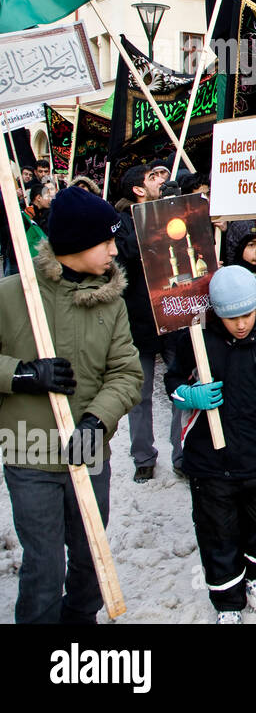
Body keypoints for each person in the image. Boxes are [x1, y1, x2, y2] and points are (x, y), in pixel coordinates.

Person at [0, 187, 142, 623]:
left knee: (89, 560)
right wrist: (23, 374)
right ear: (77, 245)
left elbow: (126, 373)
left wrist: (97, 422)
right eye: (107, 242)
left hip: (89, 456)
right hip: (29, 453)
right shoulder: (11, 294)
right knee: (44, 567)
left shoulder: (111, 301)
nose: (115, 251)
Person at [165, 265, 256, 624]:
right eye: (231, 317)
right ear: (216, 313)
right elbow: (173, 380)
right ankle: (227, 602)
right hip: (210, 459)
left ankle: (253, 574)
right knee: (218, 531)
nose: (241, 324)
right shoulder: (195, 339)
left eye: (246, 314)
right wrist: (187, 395)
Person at [115, 164, 182, 483]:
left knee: (180, 388)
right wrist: (156, 214)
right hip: (140, 319)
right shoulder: (122, 222)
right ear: (139, 190)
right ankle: (143, 456)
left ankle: (181, 452)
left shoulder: (173, 210)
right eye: (153, 177)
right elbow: (126, 252)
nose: (162, 179)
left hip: (173, 312)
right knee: (138, 393)